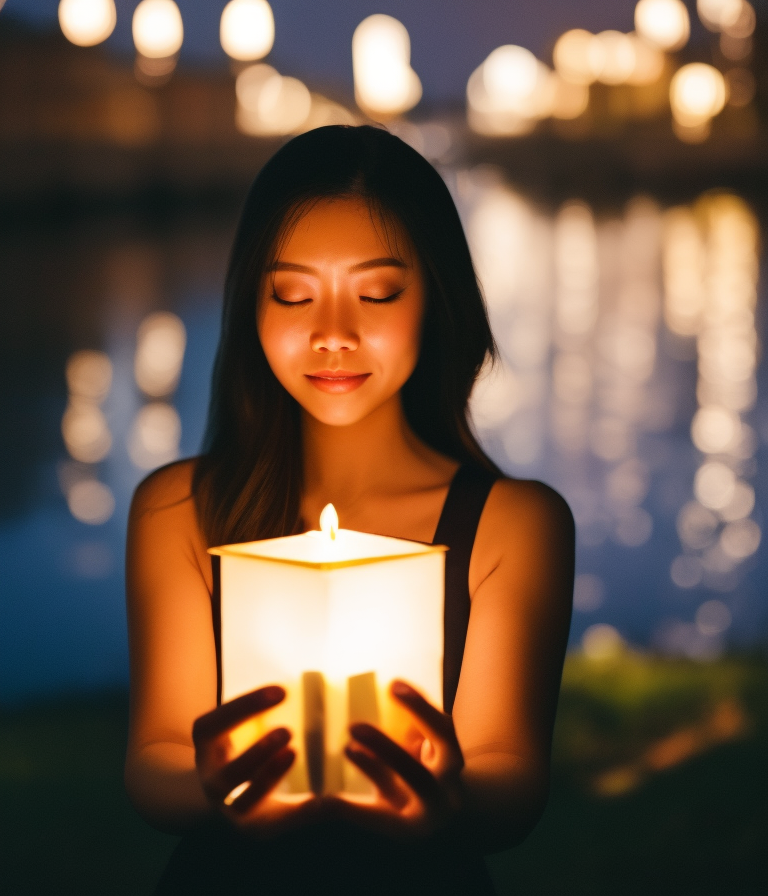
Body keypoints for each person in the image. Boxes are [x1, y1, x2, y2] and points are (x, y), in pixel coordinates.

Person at [125, 125, 574, 895]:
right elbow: (156, 755)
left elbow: (512, 774)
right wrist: (217, 780)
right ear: (252, 306)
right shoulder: (180, 509)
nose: (333, 333)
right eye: (294, 294)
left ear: (436, 295)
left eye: (377, 293)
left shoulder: (510, 525)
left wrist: (446, 796)